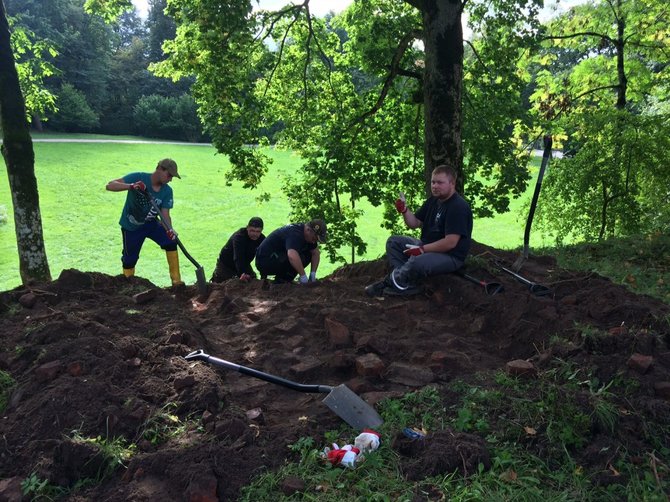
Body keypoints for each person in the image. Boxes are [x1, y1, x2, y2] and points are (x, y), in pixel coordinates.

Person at [366, 164, 473, 297]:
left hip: (450, 256)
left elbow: (450, 243)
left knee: (418, 261)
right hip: (426, 247)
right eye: (433, 182)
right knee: (393, 242)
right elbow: (414, 223)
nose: (434, 186)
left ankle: (390, 282)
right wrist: (404, 210)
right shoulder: (433, 201)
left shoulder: (458, 207)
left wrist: (422, 250)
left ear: (452, 183)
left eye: (440, 182)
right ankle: (406, 282)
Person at [106, 158, 184, 286]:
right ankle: (128, 285)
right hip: (131, 227)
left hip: (151, 224)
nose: (171, 179)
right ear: (159, 168)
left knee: (170, 241)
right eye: (169, 175)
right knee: (129, 259)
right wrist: (131, 186)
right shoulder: (139, 177)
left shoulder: (167, 191)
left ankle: (177, 283)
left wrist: (170, 230)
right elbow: (110, 185)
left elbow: (165, 215)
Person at [255, 219, 326, 284]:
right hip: (265, 261)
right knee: (299, 257)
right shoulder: (295, 234)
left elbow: (315, 253)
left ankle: (285, 280)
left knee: (308, 255)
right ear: (308, 230)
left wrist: (312, 274)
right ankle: (282, 281)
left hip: (279, 256)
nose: (314, 242)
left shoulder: (307, 236)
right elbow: (292, 255)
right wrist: (303, 276)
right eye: (314, 238)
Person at [211, 217, 266, 283]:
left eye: (258, 231)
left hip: (244, 263)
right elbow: (238, 257)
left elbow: (264, 257)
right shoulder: (239, 237)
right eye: (252, 230)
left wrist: (264, 276)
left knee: (253, 280)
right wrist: (242, 274)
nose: (254, 234)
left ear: (261, 230)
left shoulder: (262, 239)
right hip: (226, 265)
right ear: (247, 228)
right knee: (221, 286)